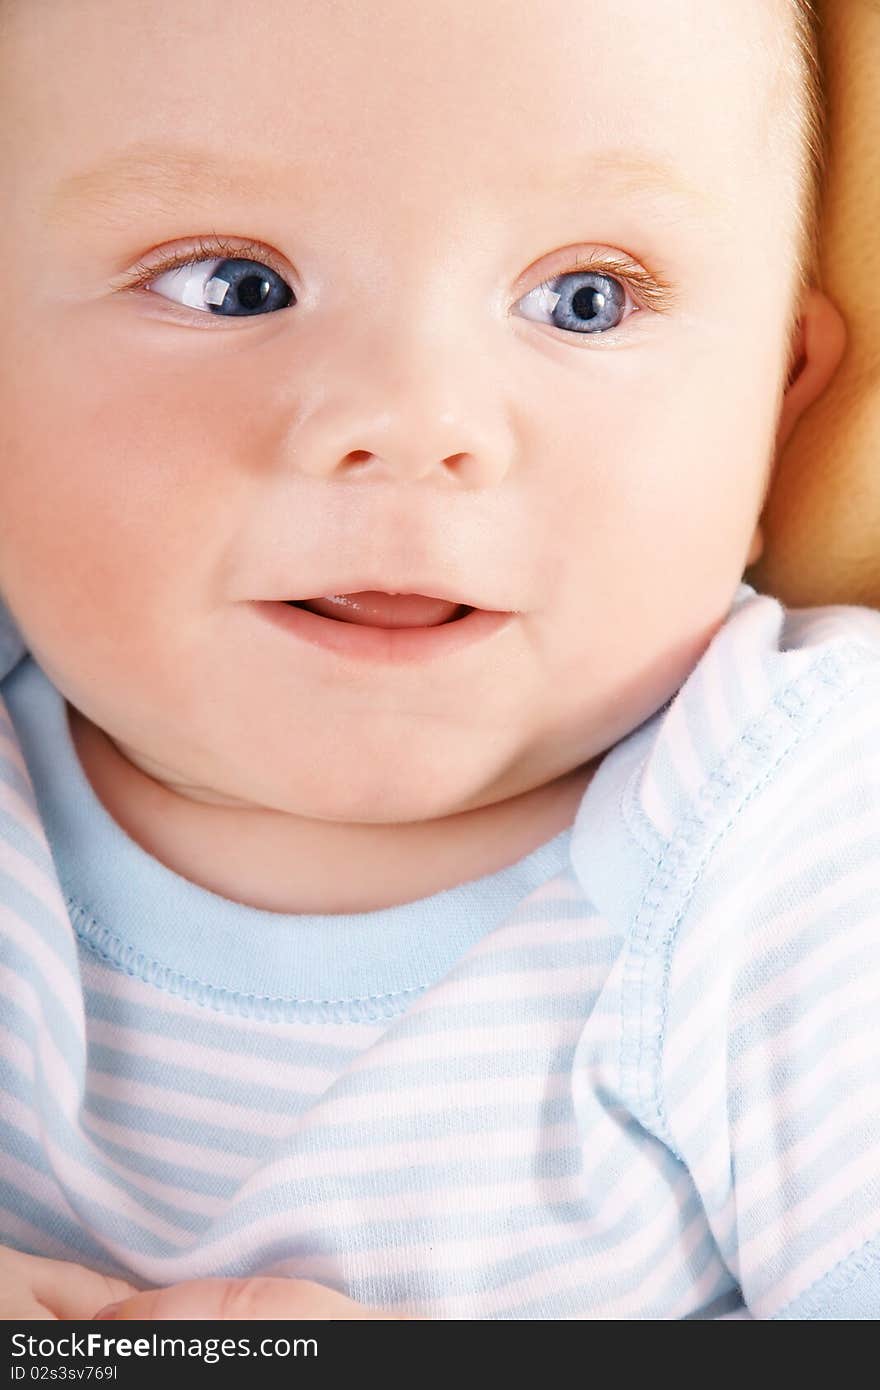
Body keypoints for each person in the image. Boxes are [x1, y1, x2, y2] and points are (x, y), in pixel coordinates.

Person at [0, 0, 876, 1321]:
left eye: (585, 300)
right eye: (231, 283)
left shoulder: (798, 814)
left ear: (777, 400)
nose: (413, 419)